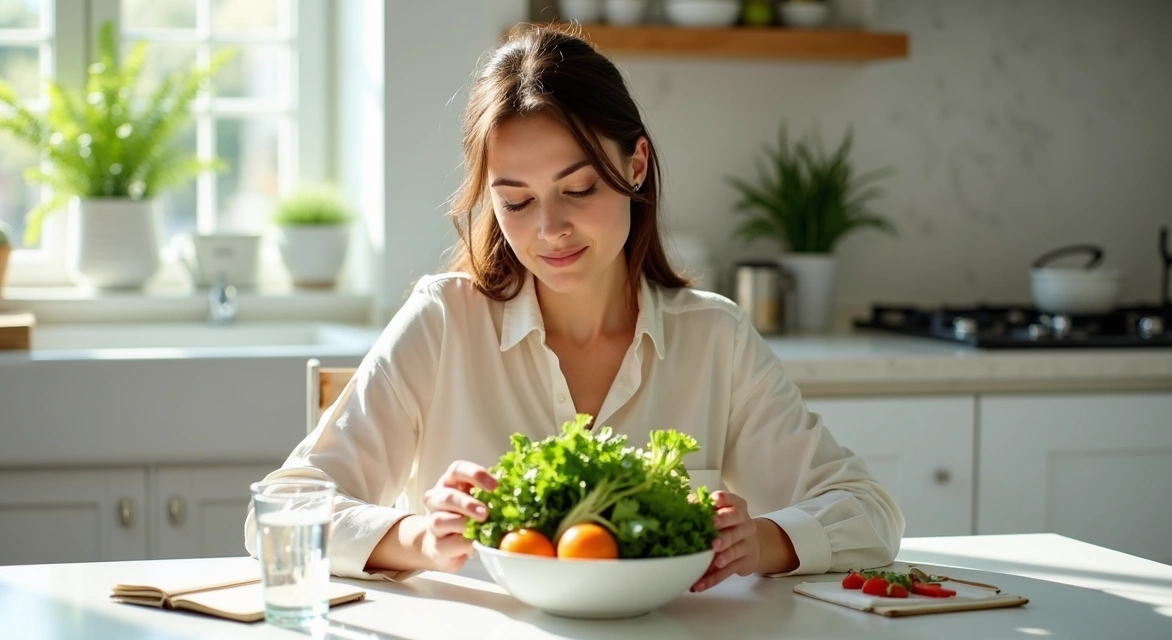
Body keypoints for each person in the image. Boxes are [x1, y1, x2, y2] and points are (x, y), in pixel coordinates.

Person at [244, 24, 903, 592]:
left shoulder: (713, 337)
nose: (549, 229)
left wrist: (760, 541)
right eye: (516, 201)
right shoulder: (443, 321)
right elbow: (278, 509)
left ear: (636, 165)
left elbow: (869, 512)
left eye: (579, 188)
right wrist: (417, 536)